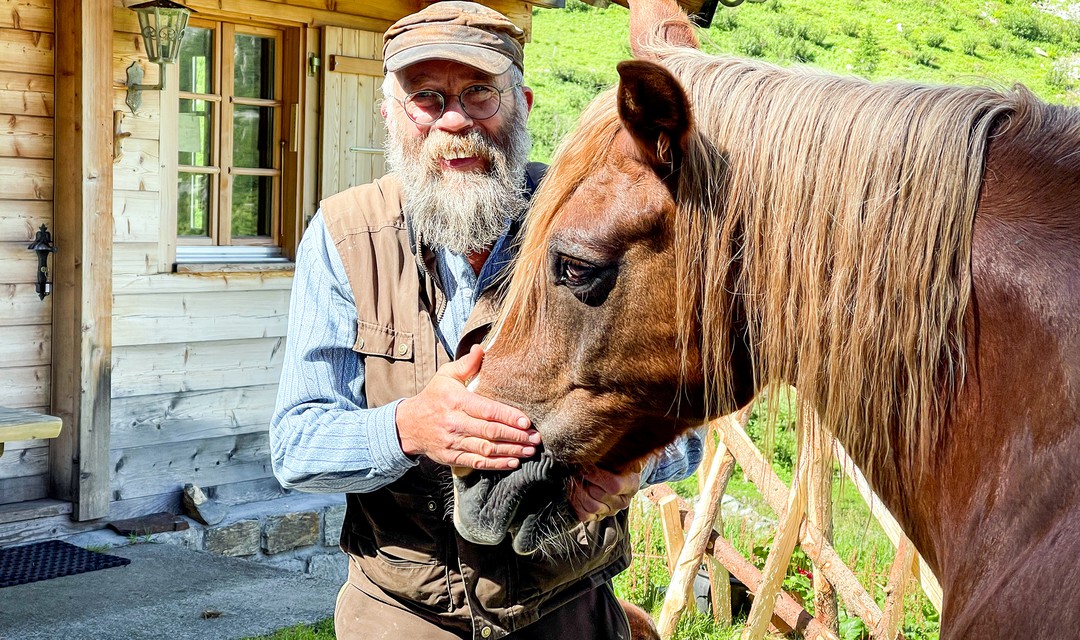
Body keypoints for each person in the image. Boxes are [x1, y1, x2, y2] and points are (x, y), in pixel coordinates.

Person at [269, 3, 702, 638]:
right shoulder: (342, 237)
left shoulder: (598, 223)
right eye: (426, 97)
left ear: (521, 102)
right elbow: (297, 446)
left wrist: (632, 466)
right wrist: (410, 429)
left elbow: (685, 436)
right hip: (404, 616)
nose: (453, 121)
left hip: (569, 610)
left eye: (479, 94)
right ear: (390, 114)